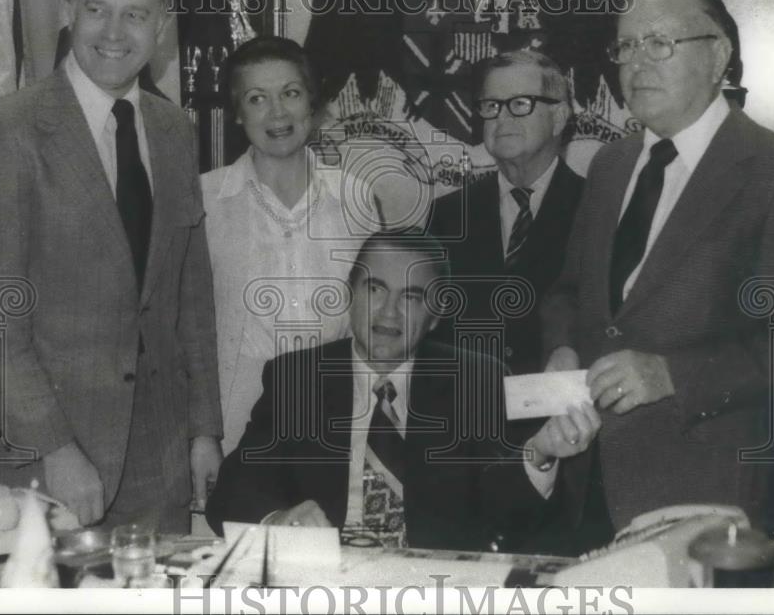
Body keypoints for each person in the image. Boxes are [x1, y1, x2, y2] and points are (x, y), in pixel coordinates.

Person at [529, 0, 774, 530]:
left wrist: (672, 375)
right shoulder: (609, 167)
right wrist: (562, 349)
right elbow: (569, 293)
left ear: (718, 55)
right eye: (626, 45)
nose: (637, 62)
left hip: (705, 490)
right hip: (587, 480)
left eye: (660, 42)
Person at [0, 0, 223, 532]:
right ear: (69, 11)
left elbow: (189, 299)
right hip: (36, 465)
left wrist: (203, 429)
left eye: (136, 14)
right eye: (97, 10)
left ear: (162, 28)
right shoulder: (8, 129)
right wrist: (57, 449)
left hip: (158, 465)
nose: (114, 31)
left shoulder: (174, 130)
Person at [206, 231, 552, 552]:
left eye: (411, 297)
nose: (389, 311)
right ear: (349, 293)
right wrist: (276, 521)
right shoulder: (298, 378)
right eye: (375, 289)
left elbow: (508, 507)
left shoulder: (475, 379)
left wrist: (541, 454)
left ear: (435, 315)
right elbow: (233, 489)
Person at [201, 37, 381, 457]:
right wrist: (201, 437)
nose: (277, 112)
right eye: (257, 98)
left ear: (312, 105)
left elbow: (372, 319)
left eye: (291, 93)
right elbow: (184, 333)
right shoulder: (205, 199)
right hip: (236, 425)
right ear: (238, 114)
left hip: (339, 421)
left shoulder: (356, 197)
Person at [428, 50, 583, 377]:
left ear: (559, 117)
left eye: (520, 104)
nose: (502, 118)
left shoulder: (597, 206)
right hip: (467, 414)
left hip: (563, 417)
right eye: (492, 105)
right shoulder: (448, 214)